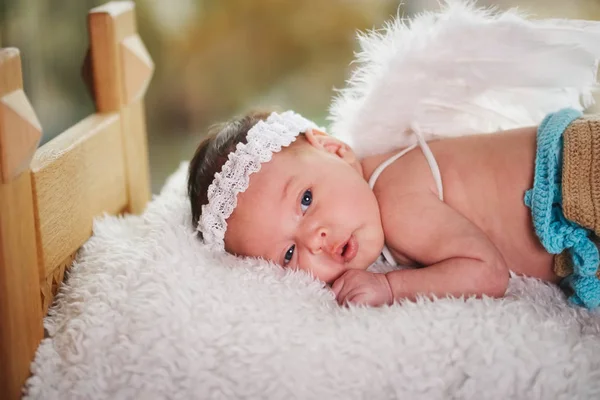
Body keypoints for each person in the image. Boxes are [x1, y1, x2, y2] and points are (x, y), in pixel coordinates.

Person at [187, 108, 600, 309]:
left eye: (306, 201)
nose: (315, 240)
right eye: (289, 254)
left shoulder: (395, 198)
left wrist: (390, 288)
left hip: (579, 177)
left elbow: (487, 273)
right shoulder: (376, 205)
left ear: (335, 150)